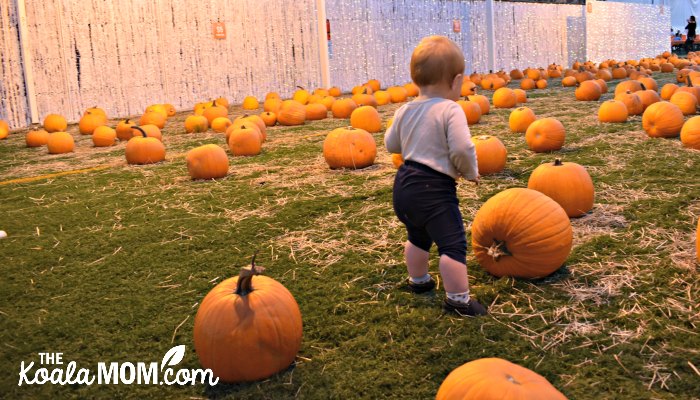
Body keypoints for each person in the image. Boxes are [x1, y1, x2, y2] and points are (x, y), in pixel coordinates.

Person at [384, 36, 486, 316]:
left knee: (417, 236)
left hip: (404, 185)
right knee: (452, 244)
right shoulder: (450, 109)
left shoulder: (404, 109)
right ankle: (458, 299)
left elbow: (391, 145)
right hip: (434, 189)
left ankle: (418, 281)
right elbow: (463, 148)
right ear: (456, 81)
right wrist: (470, 172)